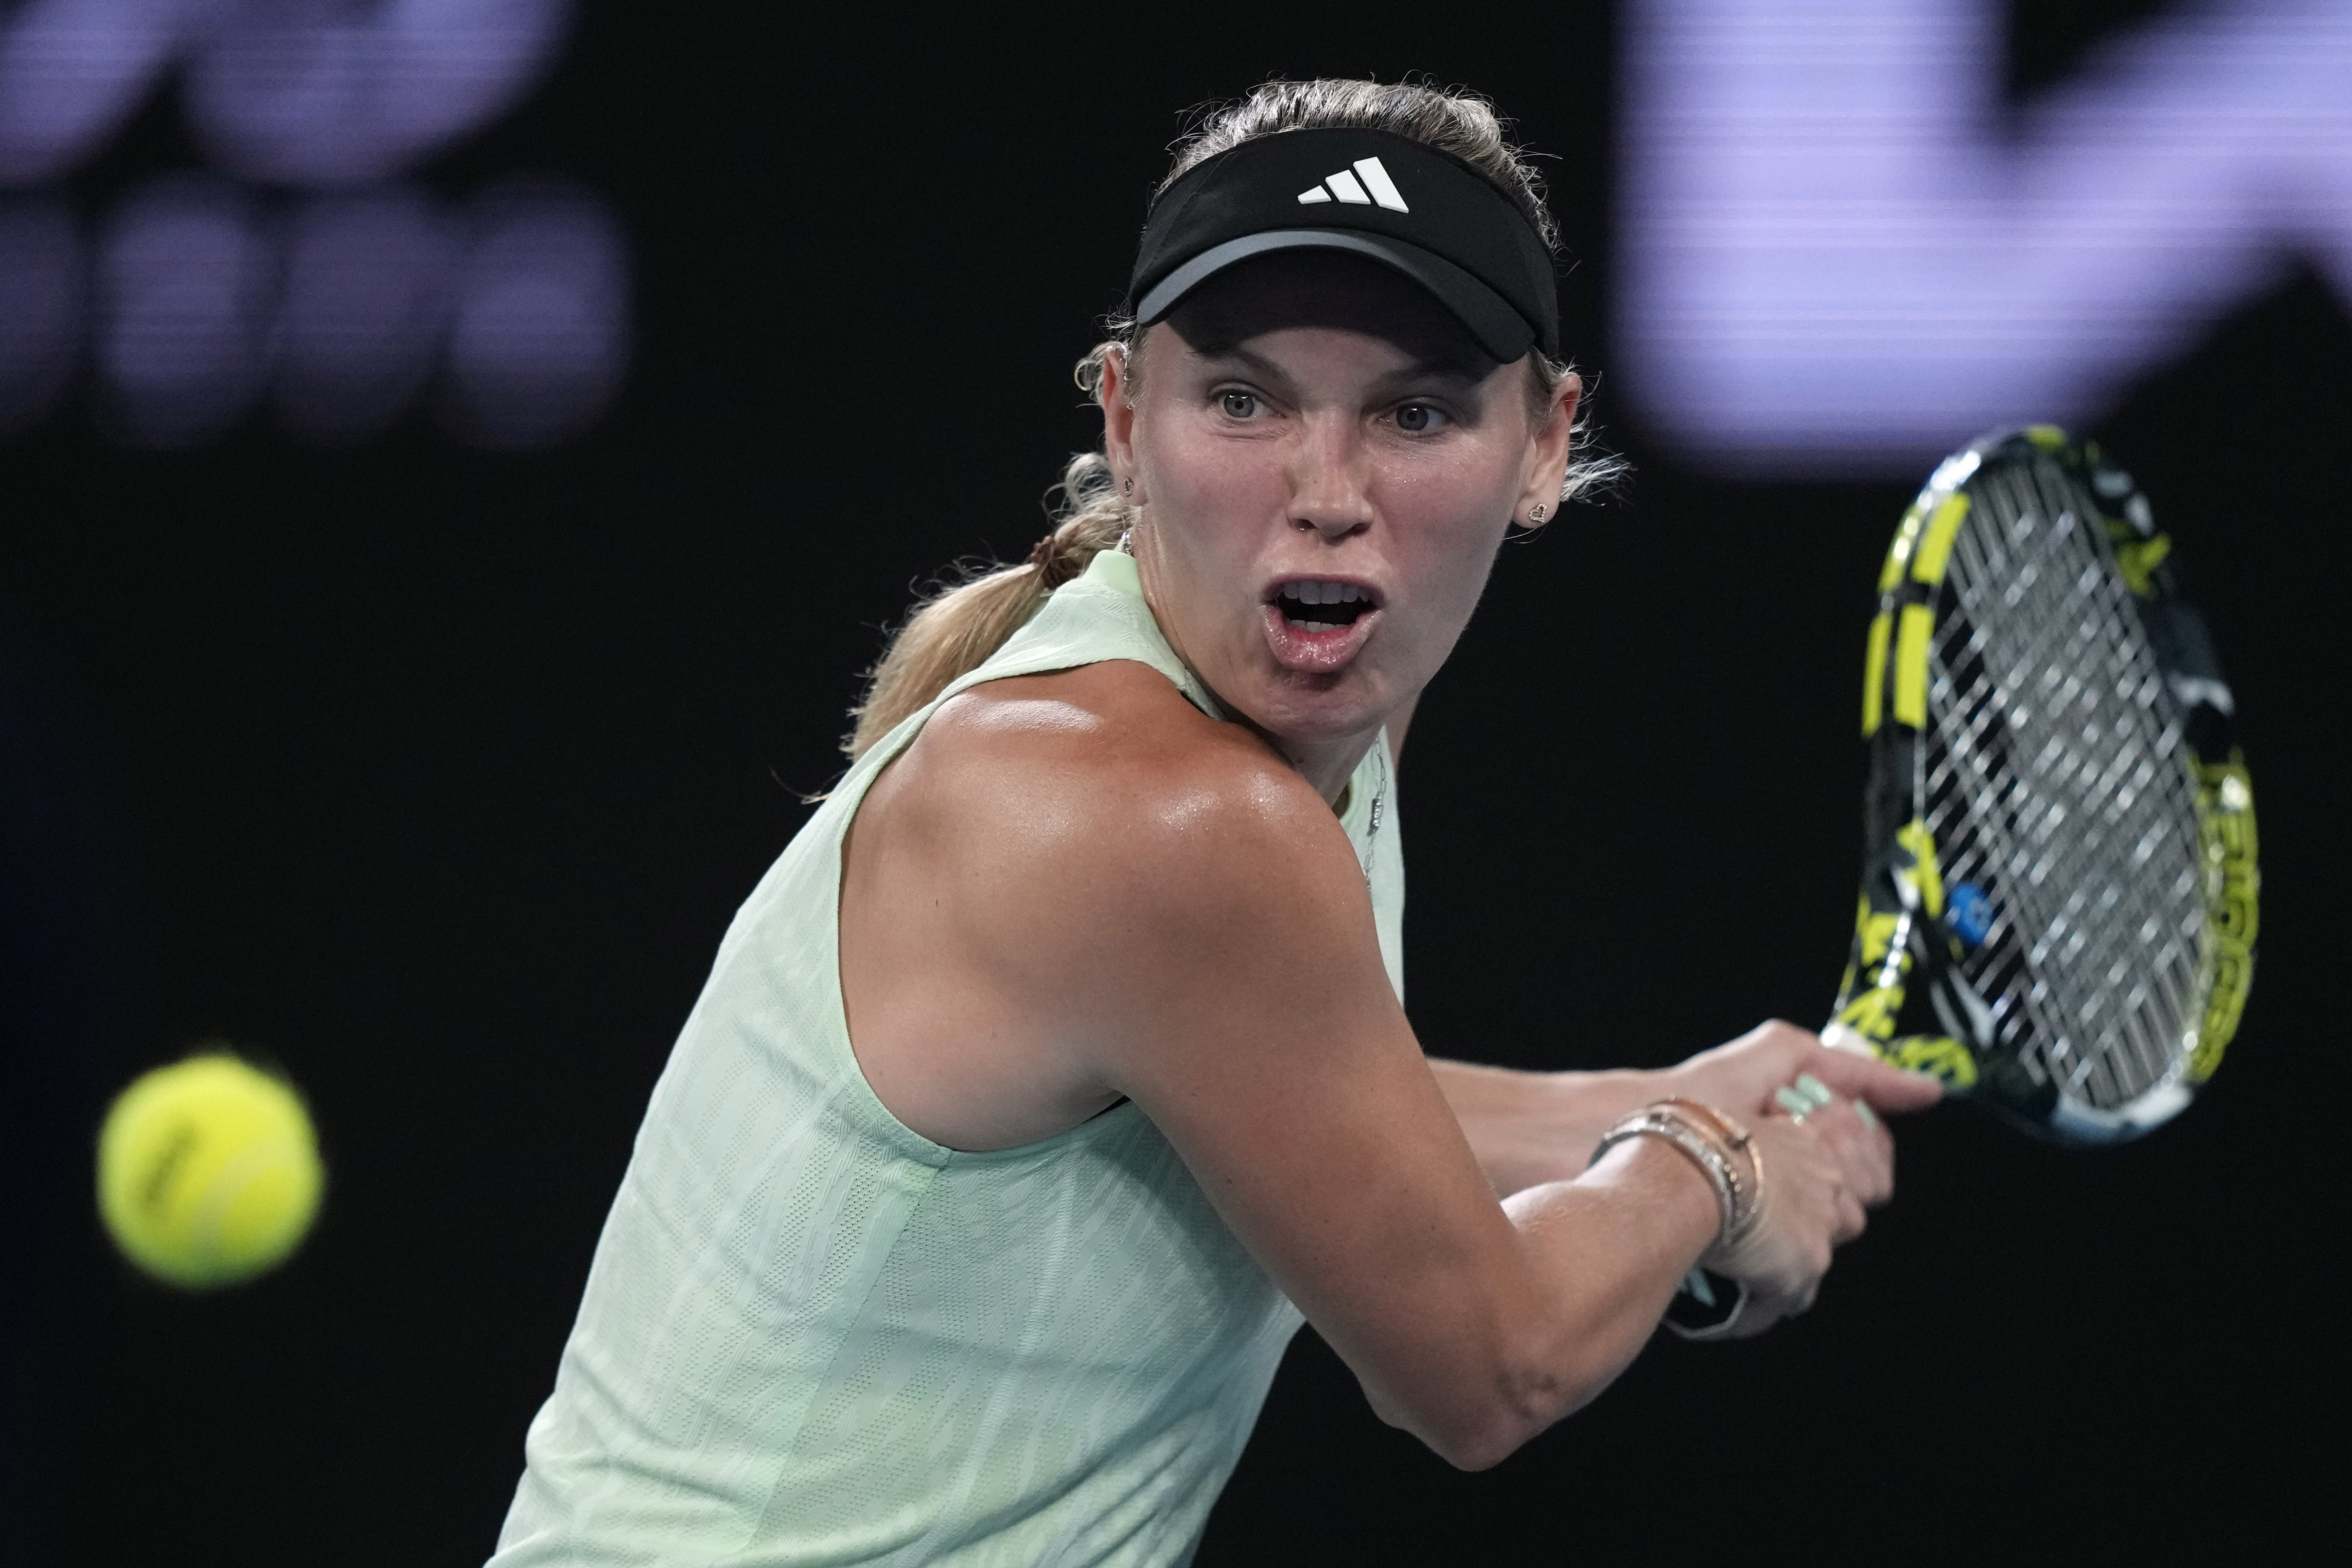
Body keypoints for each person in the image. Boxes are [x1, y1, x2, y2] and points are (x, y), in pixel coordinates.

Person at [488, 78, 1941, 1566]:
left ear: (1544, 445)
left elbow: (1291, 1088)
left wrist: (1619, 1100)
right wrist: (1698, 1165)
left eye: (1415, 410)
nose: (1324, 493)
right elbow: (1491, 1368)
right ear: (1125, 420)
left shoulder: (1244, 736)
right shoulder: (1172, 818)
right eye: (1241, 400)